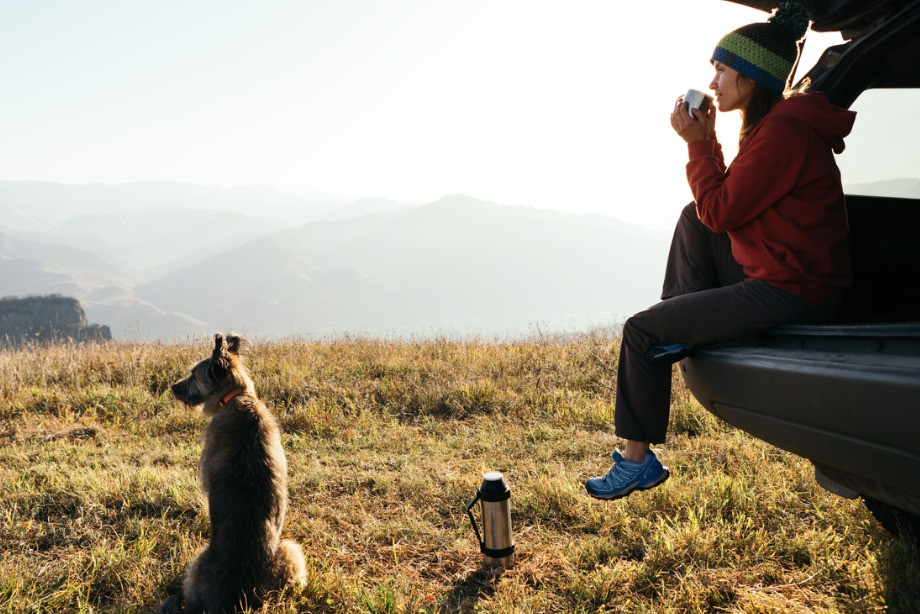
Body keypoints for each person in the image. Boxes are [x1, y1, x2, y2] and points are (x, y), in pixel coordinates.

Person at [585, 2, 856, 500]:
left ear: (751, 78)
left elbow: (721, 210)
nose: (713, 82)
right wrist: (708, 143)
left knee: (641, 332)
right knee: (691, 221)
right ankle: (684, 324)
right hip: (787, 270)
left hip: (793, 287)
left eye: (721, 69)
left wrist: (698, 143)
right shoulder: (777, 127)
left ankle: (635, 461)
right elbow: (717, 210)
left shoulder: (783, 134)